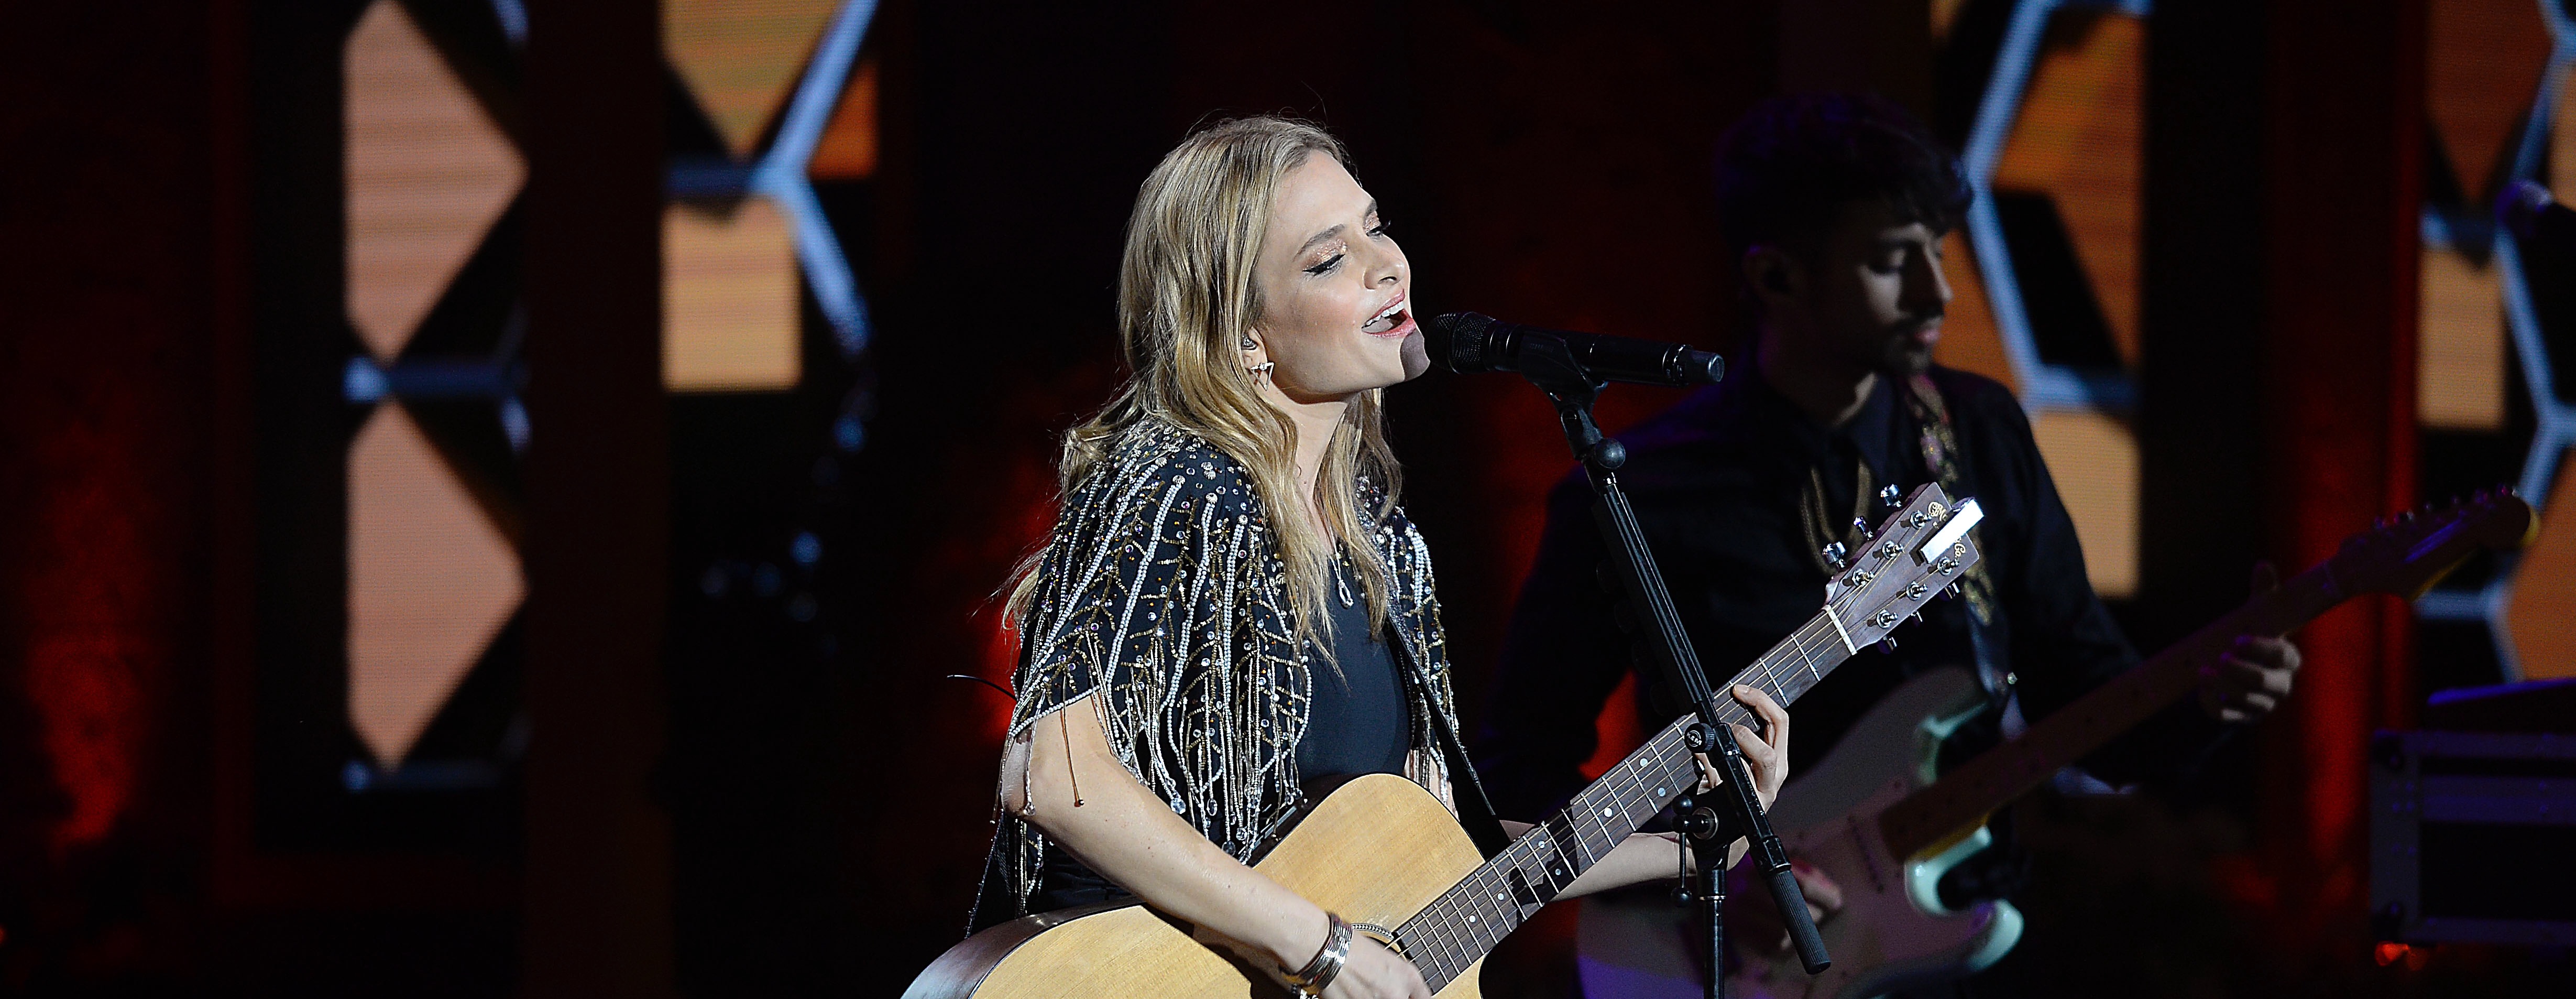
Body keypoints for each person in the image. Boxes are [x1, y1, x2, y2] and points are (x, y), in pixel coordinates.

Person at [968, 117, 1795, 999]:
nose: (1385, 264)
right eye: (1327, 260)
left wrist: (1692, 836)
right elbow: (1054, 777)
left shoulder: (1386, 543)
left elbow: (1444, 856)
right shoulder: (1175, 480)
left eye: (1375, 225)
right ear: (1245, 335)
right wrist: (1318, 947)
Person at [1474, 93, 2301, 957]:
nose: (1936, 291)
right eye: (1891, 261)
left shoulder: (1977, 432)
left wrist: (2204, 699)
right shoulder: (1639, 490)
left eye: (1936, 254)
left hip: (1966, 939)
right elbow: (1519, 771)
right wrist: (1701, 878)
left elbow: (2082, 687)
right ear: (1776, 278)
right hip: (1728, 954)